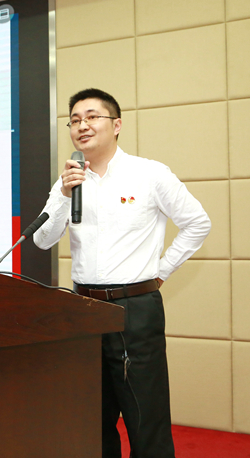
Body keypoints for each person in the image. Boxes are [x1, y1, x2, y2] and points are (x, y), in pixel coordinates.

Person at [34, 88, 211, 458]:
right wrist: (64, 195)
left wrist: (160, 272)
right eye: (75, 120)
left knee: (145, 418)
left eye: (92, 117)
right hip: (83, 309)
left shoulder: (149, 174)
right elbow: (42, 240)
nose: (82, 126)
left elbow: (197, 223)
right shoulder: (68, 181)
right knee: (91, 418)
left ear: (116, 125)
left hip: (136, 311)